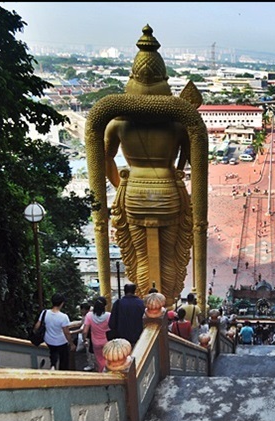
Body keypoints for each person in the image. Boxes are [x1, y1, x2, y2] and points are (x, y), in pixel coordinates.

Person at [87, 24, 208, 304]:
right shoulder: (178, 120)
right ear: (163, 77)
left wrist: (120, 185)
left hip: (133, 194)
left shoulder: (116, 120)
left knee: (139, 256)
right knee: (171, 256)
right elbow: (191, 160)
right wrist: (177, 169)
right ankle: (169, 303)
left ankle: (147, 302)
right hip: (168, 192)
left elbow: (104, 159)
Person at [34, 293, 75, 370]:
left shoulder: (44, 312)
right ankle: (62, 372)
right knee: (64, 359)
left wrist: (36, 332)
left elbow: (37, 326)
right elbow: (66, 332)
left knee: (53, 353)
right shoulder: (63, 317)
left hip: (49, 340)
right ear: (61, 303)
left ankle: (53, 365)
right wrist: (71, 344)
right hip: (61, 342)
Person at [83, 297, 111, 373]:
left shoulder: (89, 316)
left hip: (95, 342)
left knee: (99, 359)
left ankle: (101, 372)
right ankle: (109, 372)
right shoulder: (108, 316)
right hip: (106, 341)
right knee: (108, 358)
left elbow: (85, 331)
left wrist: (84, 339)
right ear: (104, 306)